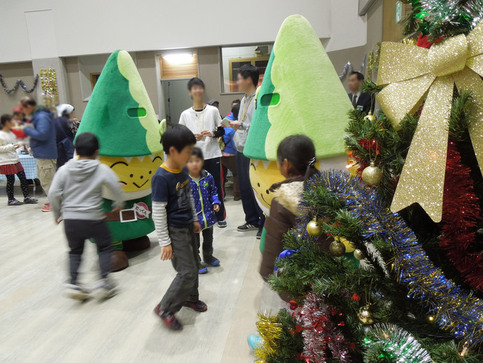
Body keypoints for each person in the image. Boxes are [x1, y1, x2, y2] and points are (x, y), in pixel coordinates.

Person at [48, 132, 123, 301]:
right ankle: (104, 282)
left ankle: (73, 283)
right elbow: (115, 186)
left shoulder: (64, 169)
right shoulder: (101, 168)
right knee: (104, 247)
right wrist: (118, 203)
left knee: (75, 251)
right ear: (97, 152)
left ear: (76, 150)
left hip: (71, 221)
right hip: (94, 218)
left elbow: (53, 193)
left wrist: (57, 213)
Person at [152, 124, 207, 331]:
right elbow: (157, 211)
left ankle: (190, 298)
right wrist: (165, 242)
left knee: (194, 263)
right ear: (173, 151)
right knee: (187, 271)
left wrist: (193, 218)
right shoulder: (161, 177)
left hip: (187, 226)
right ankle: (165, 307)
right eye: (187, 152)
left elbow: (189, 197)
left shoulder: (182, 171)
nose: (190, 157)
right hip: (174, 231)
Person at [259, 135, 320, 279]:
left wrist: (266, 271)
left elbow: (275, 239)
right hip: (328, 270)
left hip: (297, 275)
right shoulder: (324, 186)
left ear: (285, 164)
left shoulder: (282, 198)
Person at [179, 77, 227, 228]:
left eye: (200, 87)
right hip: (193, 158)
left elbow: (222, 131)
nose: (198, 91)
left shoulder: (213, 110)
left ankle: (220, 216)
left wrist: (212, 133)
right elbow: (180, 136)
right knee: (193, 188)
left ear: (203, 90)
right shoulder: (185, 114)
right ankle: (197, 216)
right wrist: (191, 137)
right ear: (190, 92)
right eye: (194, 88)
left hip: (212, 154)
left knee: (216, 187)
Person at [230, 64, 265, 238]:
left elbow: (260, 124)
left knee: (255, 186)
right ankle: (251, 218)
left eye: (239, 78)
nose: (237, 82)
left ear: (248, 79)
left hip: (253, 149)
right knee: (244, 186)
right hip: (241, 147)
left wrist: (241, 124)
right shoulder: (244, 99)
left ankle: (262, 222)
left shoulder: (259, 97)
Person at [19, 96, 57, 212]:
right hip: (43, 153)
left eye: (23, 109)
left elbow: (42, 135)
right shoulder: (42, 116)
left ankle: (54, 204)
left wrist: (26, 129)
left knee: (47, 180)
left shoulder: (41, 117)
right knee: (46, 178)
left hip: (45, 154)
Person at [187, 147, 221, 274]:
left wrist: (215, 202)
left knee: (208, 239)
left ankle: (208, 256)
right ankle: (196, 262)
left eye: (197, 161)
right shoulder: (184, 181)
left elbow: (213, 191)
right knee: (194, 242)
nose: (194, 164)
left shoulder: (208, 177)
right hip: (193, 219)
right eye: (190, 161)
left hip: (208, 216)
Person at [0, 114, 37, 206]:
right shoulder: (1, 134)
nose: (14, 122)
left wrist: (19, 144)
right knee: (10, 180)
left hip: (15, 159)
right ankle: (11, 199)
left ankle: (26, 197)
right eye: (12, 120)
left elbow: (14, 144)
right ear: (7, 122)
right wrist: (12, 146)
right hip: (6, 161)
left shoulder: (11, 133)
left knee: (23, 178)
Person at [221, 100, 241, 200]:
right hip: (230, 154)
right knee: (236, 174)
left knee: (222, 176)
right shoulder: (232, 125)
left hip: (221, 153)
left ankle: (222, 195)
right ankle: (237, 195)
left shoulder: (226, 120)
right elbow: (234, 142)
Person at [54, 104, 76, 168]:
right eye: (72, 112)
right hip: (69, 150)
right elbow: (76, 134)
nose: (73, 114)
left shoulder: (54, 121)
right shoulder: (70, 122)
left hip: (58, 151)